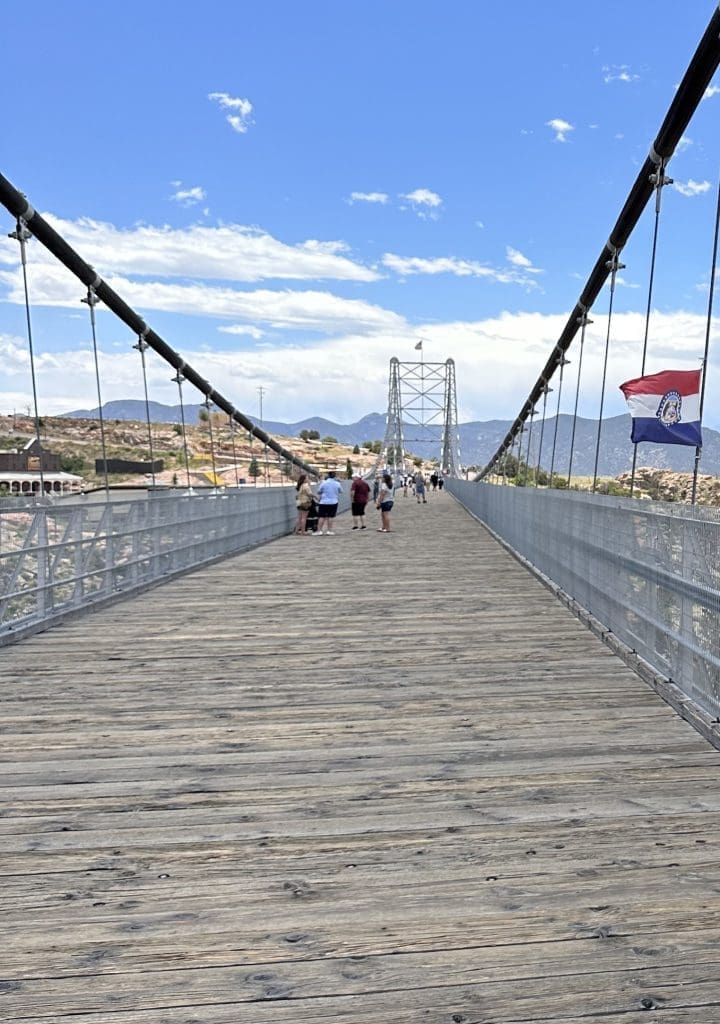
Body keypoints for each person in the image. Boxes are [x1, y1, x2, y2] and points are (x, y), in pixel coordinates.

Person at [314, 470, 343, 535]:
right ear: (334, 476)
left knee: (321, 517)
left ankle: (319, 531)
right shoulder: (337, 483)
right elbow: (341, 491)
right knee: (331, 517)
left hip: (323, 502)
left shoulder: (323, 483)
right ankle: (329, 531)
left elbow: (319, 491)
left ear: (328, 475)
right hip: (333, 502)